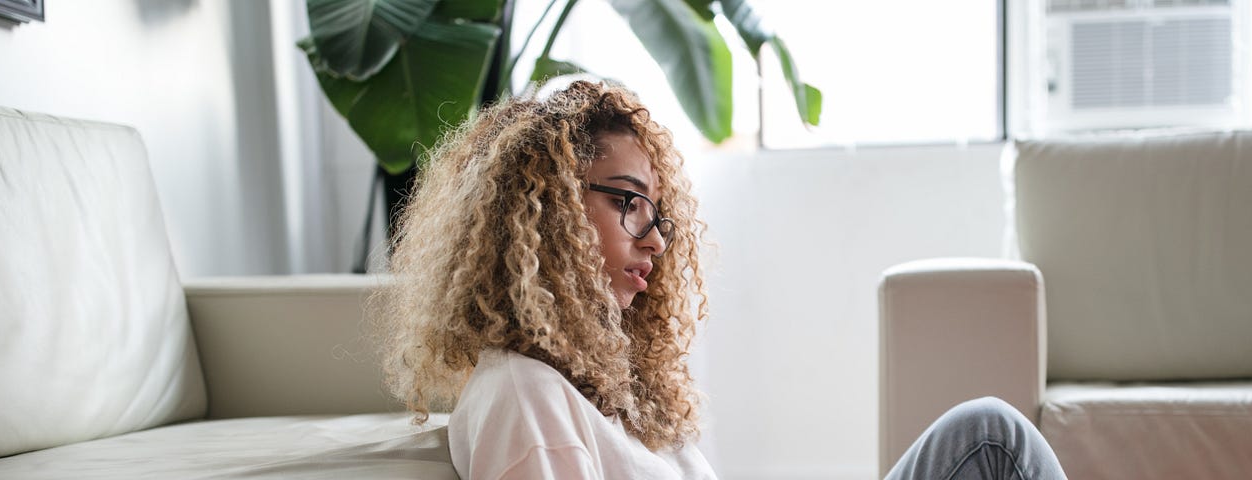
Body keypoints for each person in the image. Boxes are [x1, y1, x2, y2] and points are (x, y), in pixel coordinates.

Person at [374, 80, 1067, 480]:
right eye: (627, 200)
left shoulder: (620, 391)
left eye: (659, 214)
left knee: (986, 434)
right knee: (990, 441)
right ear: (546, 205)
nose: (653, 238)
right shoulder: (521, 393)